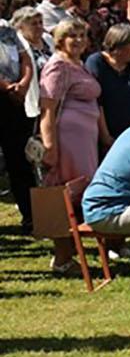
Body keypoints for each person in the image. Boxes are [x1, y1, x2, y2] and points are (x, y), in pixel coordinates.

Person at [38, 18, 106, 269]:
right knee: (65, 194)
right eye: (72, 36)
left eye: (81, 35)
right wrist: (50, 147)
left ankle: (71, 251)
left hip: (84, 141)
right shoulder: (57, 66)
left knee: (79, 191)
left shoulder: (78, 64)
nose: (78, 40)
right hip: (66, 140)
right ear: (60, 39)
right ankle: (62, 257)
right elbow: (47, 109)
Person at [86, 23, 130, 139]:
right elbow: (98, 103)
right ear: (118, 46)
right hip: (109, 132)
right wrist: (106, 137)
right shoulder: (97, 63)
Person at [0, 16, 37, 232]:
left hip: (14, 102)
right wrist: (7, 87)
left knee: (20, 162)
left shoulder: (6, 28)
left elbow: (25, 59)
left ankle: (31, 216)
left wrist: (23, 84)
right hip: (6, 92)